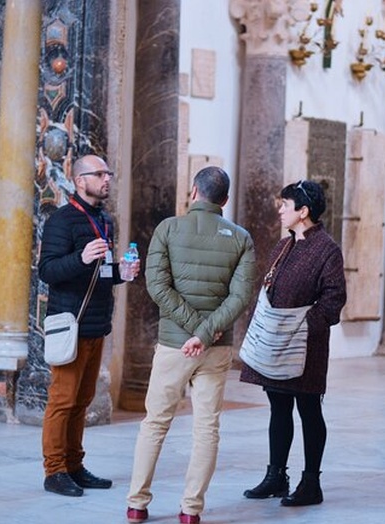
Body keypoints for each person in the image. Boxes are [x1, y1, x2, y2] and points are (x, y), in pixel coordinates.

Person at [125, 166, 256, 524]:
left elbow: (157, 287)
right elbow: (241, 295)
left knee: (155, 423)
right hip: (215, 348)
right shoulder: (241, 237)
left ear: (193, 192)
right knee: (207, 428)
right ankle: (191, 510)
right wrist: (206, 331)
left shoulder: (168, 228)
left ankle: (137, 504)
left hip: (173, 345)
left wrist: (192, 330)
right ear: (225, 201)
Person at [239, 179, 347, 507]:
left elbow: (334, 299)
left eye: (286, 205)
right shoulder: (283, 245)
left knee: (309, 410)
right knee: (279, 408)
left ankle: (311, 482)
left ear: (304, 211)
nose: (280, 210)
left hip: (306, 347)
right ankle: (276, 476)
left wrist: (300, 327)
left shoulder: (327, 249)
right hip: (275, 344)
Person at [38, 154, 139, 497]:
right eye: (99, 174)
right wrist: (80, 258)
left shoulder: (104, 220)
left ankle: (74, 465)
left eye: (109, 172)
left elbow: (103, 272)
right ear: (80, 180)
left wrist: (121, 275)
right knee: (62, 401)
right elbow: (48, 272)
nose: (107, 178)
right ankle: (54, 471)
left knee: (83, 400)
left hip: (96, 324)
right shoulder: (61, 221)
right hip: (70, 324)